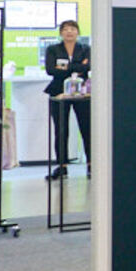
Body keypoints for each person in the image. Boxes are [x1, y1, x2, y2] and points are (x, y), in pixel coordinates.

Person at [44, 20, 90, 178]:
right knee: (61, 130)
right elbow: (50, 70)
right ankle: (62, 166)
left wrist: (65, 68)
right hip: (58, 92)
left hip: (82, 93)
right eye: (65, 29)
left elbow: (88, 67)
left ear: (78, 32)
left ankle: (91, 164)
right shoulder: (52, 49)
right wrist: (77, 67)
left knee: (87, 129)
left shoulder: (86, 49)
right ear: (61, 33)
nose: (69, 32)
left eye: (72, 29)